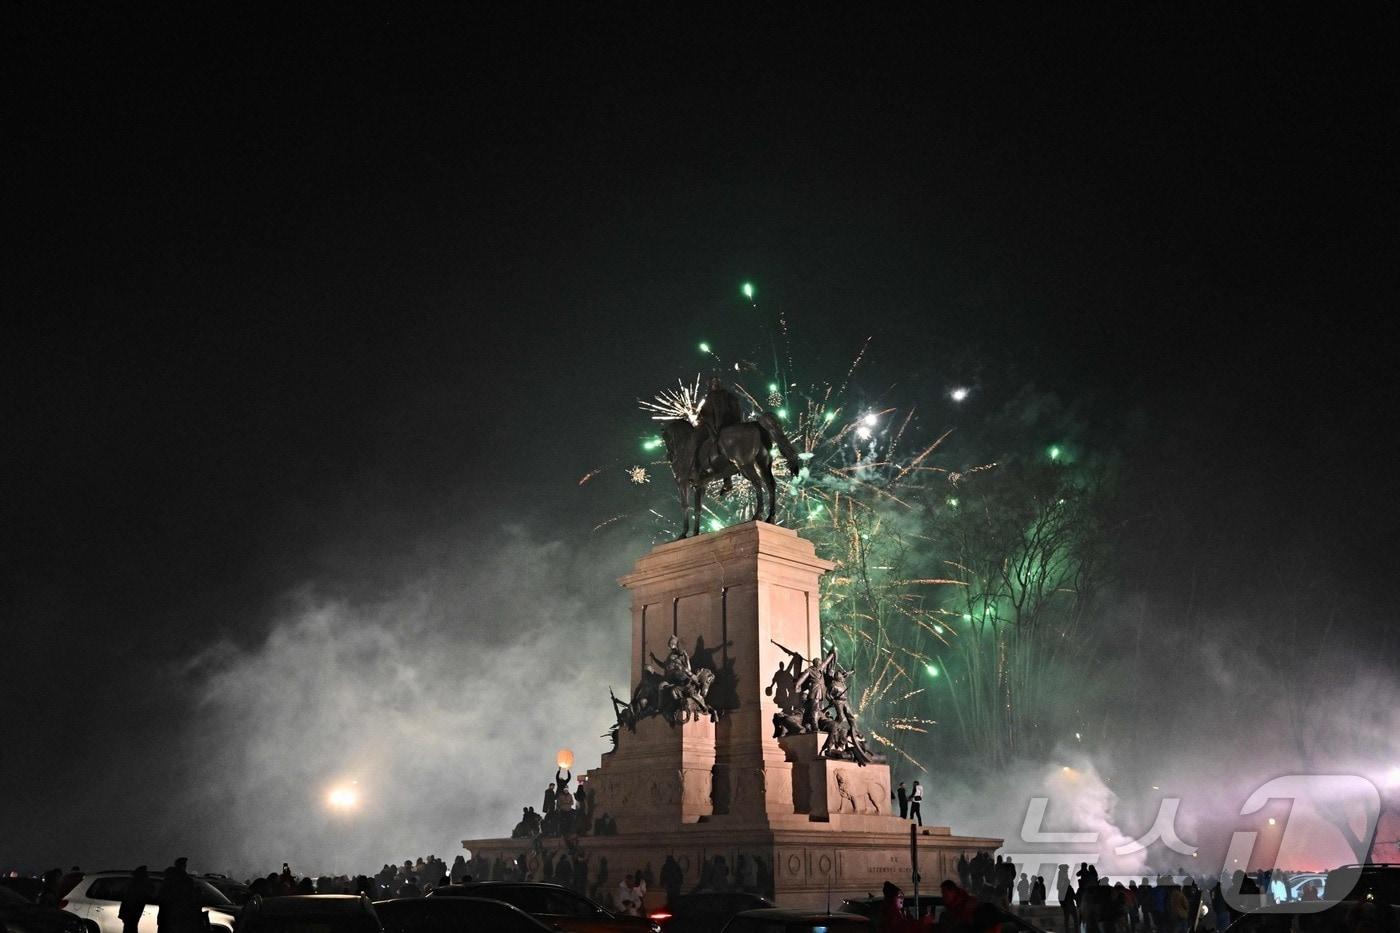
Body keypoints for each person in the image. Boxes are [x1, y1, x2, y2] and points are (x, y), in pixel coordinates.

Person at [119, 865, 150, 933]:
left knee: (129, 928)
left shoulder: (132, 884)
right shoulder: (140, 885)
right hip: (132, 911)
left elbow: (126, 897)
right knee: (131, 928)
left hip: (129, 911)